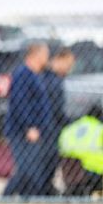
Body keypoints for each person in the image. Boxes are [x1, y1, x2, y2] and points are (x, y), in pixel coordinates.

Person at [2, 41, 53, 197]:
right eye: (45, 55)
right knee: (27, 170)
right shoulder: (22, 74)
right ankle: (3, 199)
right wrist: (29, 126)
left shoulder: (36, 75)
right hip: (22, 132)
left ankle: (27, 201)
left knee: (32, 171)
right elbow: (20, 103)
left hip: (35, 131)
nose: (47, 58)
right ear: (35, 55)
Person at [39, 46, 75, 194]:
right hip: (48, 129)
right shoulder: (51, 80)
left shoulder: (48, 78)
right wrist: (70, 122)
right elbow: (55, 110)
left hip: (50, 128)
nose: (70, 68)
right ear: (59, 59)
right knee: (47, 163)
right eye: (68, 64)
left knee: (48, 164)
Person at [57, 109, 103, 196]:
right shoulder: (101, 129)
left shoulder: (69, 129)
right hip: (93, 173)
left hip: (68, 172)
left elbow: (60, 150)